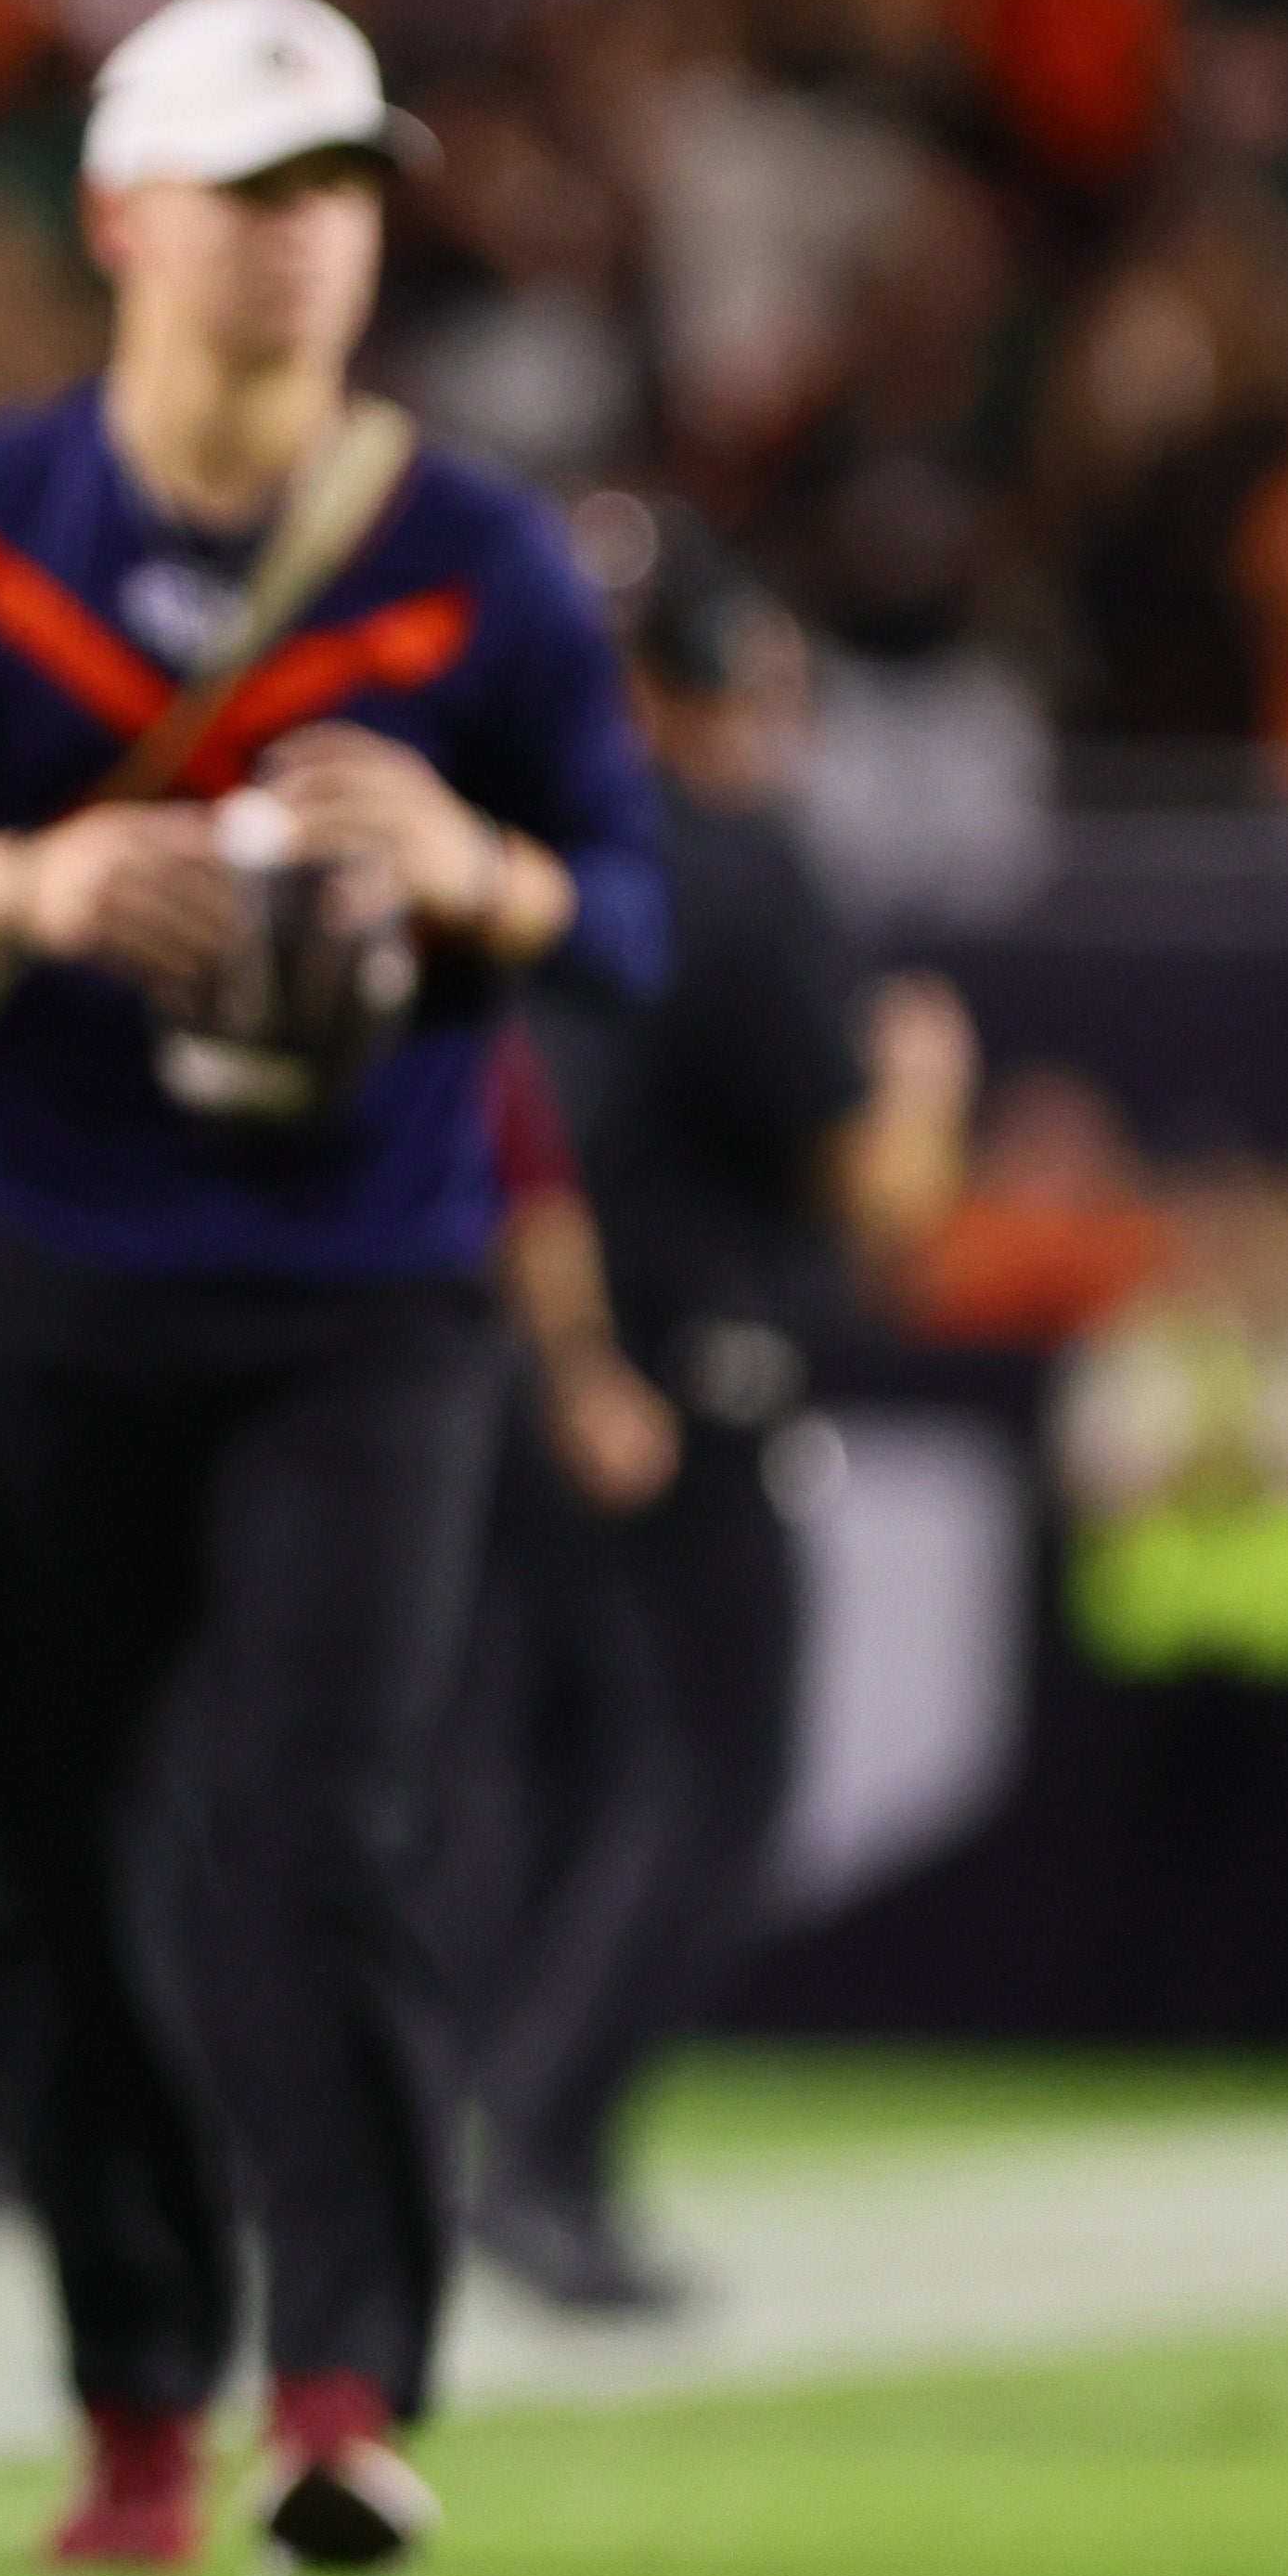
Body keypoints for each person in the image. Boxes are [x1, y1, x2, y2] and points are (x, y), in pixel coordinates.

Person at [0, 0, 665, 2576]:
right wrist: (11, 882)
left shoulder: (470, 550)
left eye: (340, 189)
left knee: (320, 1823)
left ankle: (340, 2380)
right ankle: (134, 2378)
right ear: (122, 216)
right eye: (252, 188)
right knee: (53, 1849)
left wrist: (466, 868)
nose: (300, 241)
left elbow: (634, 915)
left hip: (370, 1277)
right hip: (40, 1267)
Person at [475, 505, 972, 2310]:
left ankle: (453, 2131)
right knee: (707, 1773)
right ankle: (537, 2148)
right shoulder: (730, 858)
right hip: (673, 1374)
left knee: (513, 1777)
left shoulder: (502, 847)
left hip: (487, 1364)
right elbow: (876, 1189)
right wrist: (921, 1083)